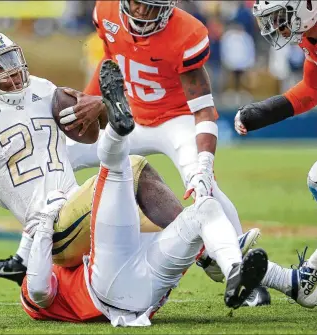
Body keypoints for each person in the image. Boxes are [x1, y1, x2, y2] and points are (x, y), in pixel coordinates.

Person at [17, 60, 316, 326]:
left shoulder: (53, 248)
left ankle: (235, 270)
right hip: (103, 287)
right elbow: (39, 293)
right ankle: (117, 127)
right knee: (124, 166)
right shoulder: (41, 266)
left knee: (205, 208)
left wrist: (42, 231)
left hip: (143, 292)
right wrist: (43, 229)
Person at [0, 29, 199, 281]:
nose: (11, 69)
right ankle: (206, 247)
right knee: (133, 168)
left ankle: (213, 252)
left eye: (11, 58)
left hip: (74, 212)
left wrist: (95, 109)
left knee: (164, 229)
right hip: (54, 229)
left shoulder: (40, 89)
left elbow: (90, 132)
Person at [54, 0, 256, 290]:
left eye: (151, 6)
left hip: (176, 121)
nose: (140, 13)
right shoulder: (106, 10)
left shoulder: (187, 31)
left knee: (202, 185)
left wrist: (205, 165)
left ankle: (239, 267)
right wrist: (91, 101)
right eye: (137, 4)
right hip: (130, 115)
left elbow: (204, 110)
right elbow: (111, 59)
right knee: (58, 153)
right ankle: (40, 234)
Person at [234, 0, 317, 201]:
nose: (275, 25)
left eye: (280, 17)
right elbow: (311, 89)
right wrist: (261, 113)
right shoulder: (308, 39)